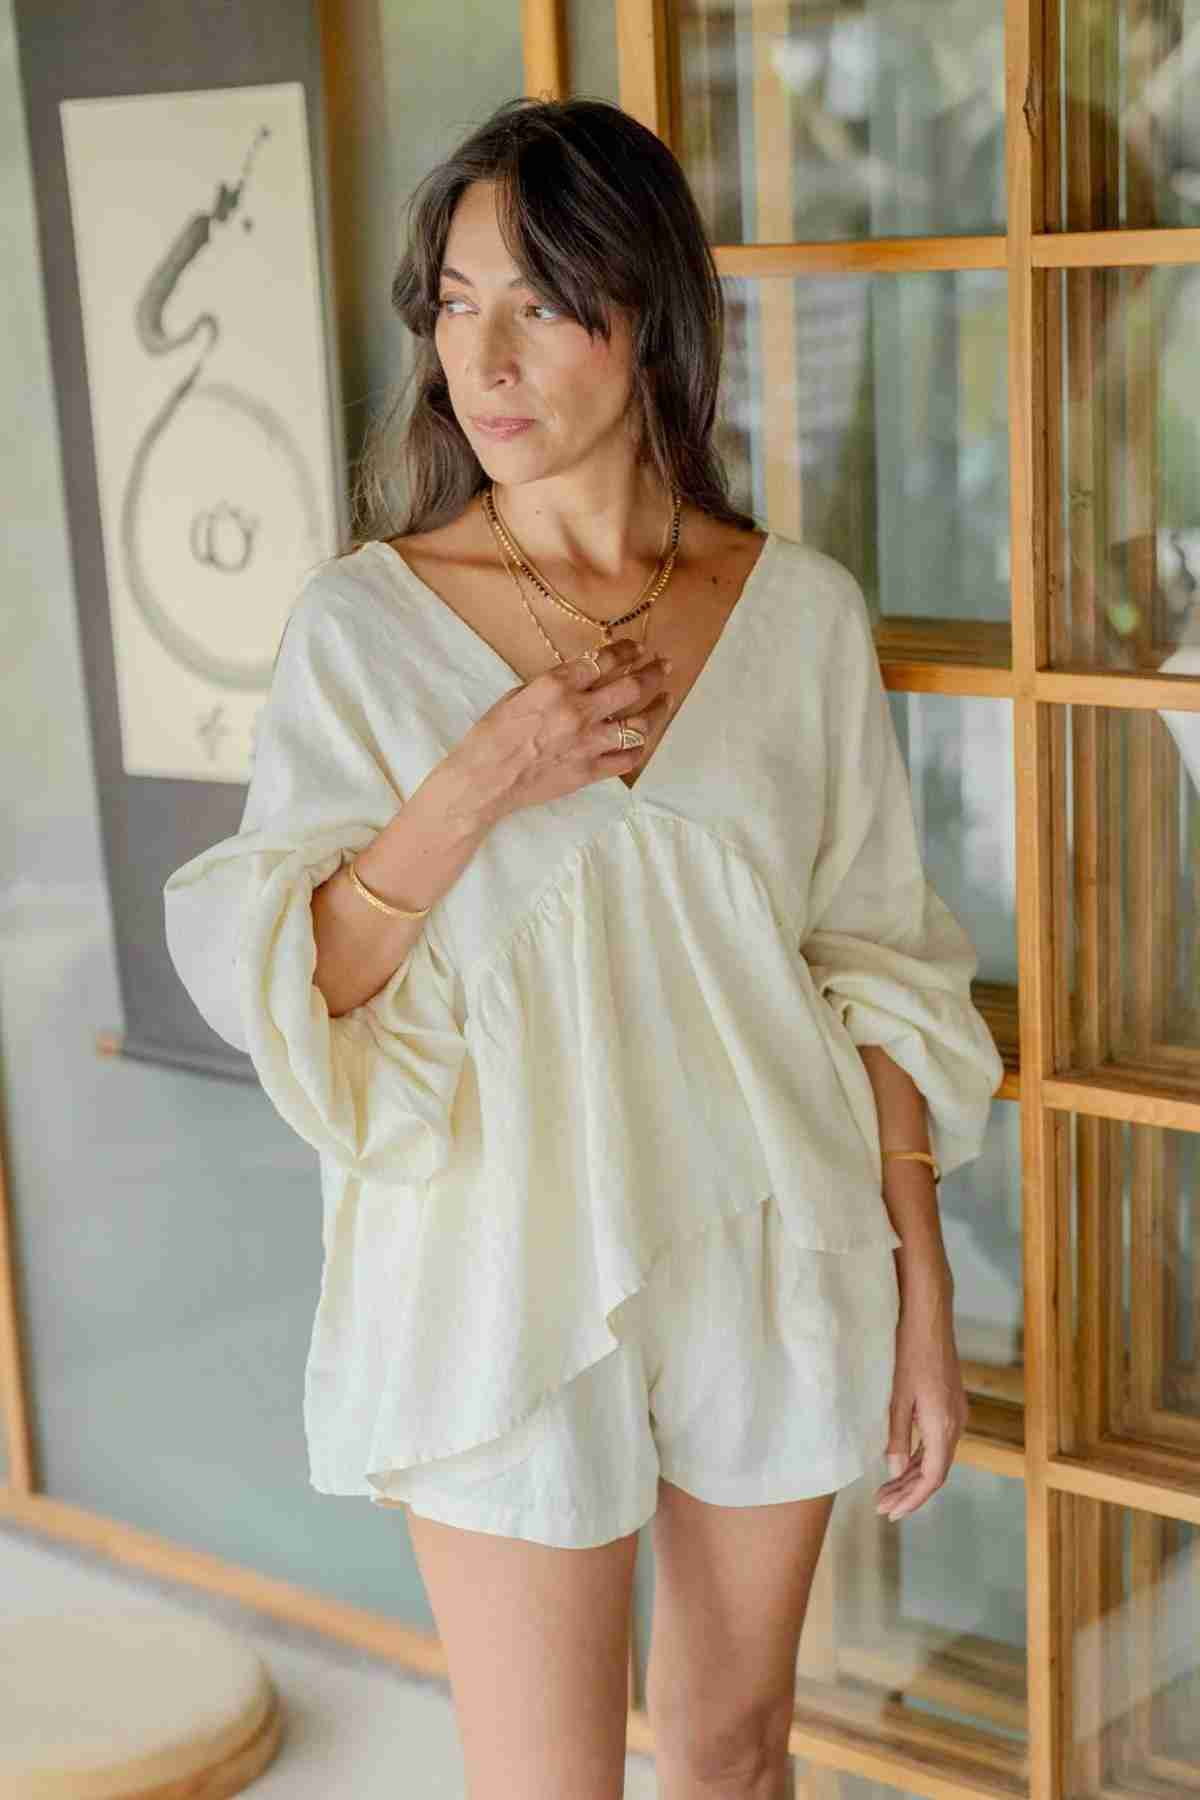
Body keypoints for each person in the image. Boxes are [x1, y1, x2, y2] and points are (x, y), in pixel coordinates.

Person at [164, 96, 1005, 1800]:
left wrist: (920, 1287)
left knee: (737, 1748)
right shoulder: (365, 627)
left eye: (538, 301)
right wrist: (479, 784)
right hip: (497, 1254)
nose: (486, 353)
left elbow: (878, 964)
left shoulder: (801, 615)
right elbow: (297, 983)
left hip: (771, 1237)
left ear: (646, 312)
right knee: (546, 1781)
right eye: (455, 303)